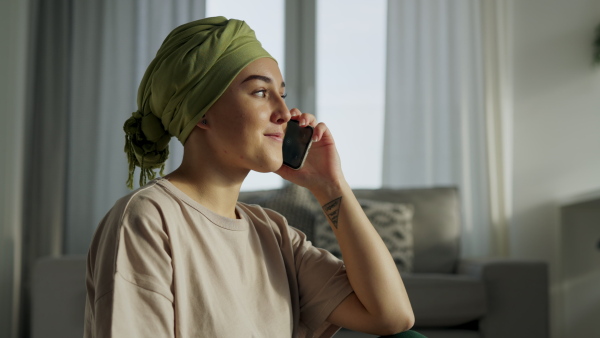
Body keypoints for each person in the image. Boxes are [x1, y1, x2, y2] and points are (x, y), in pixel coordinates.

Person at [84, 16, 419, 338]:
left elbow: (391, 316)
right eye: (260, 92)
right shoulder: (148, 218)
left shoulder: (275, 235)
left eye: (282, 95)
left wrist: (331, 185)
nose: (285, 113)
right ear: (202, 111)